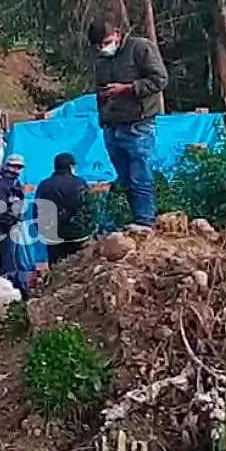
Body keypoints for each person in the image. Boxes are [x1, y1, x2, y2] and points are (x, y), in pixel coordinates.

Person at [87, 14, 169, 232]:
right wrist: (103, 117)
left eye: (105, 43)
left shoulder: (140, 48)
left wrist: (128, 88)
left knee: (140, 175)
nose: (103, 49)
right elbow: (99, 92)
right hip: (113, 125)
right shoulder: (102, 62)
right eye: (98, 46)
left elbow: (160, 79)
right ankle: (135, 220)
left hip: (138, 124)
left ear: (116, 34)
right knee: (125, 179)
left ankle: (145, 221)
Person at [35, 152, 94, 266]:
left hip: (53, 236)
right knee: (77, 269)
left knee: (56, 269)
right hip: (78, 235)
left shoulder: (44, 185)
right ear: (70, 166)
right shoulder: (80, 183)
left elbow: (38, 211)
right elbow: (88, 207)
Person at [0, 154, 26, 278]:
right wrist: (11, 221)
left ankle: (7, 285)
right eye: (13, 166)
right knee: (7, 262)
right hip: (0, 229)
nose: (16, 170)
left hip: (7, 227)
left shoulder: (13, 183)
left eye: (19, 167)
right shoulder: (0, 184)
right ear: (7, 166)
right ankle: (6, 288)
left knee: (9, 259)